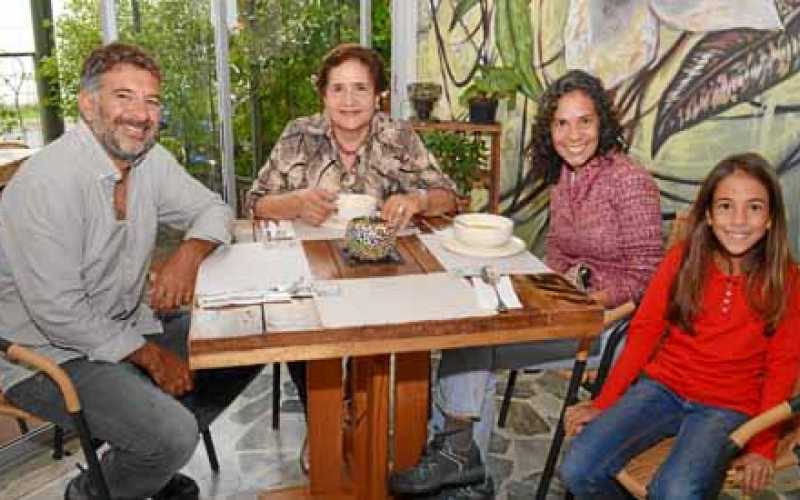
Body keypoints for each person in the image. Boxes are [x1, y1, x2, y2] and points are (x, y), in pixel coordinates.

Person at [0, 43, 260, 500]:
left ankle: (144, 462)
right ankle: (98, 488)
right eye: (123, 96)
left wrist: (188, 254)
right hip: (44, 356)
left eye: (152, 101)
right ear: (88, 103)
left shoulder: (149, 161)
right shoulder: (46, 183)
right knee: (172, 435)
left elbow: (214, 208)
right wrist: (152, 357)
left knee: (247, 338)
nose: (140, 115)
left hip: (123, 326)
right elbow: (59, 314)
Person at [388, 69, 663, 499]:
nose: (573, 135)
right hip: (573, 309)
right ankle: (462, 461)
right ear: (549, 129)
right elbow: (560, 257)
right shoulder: (566, 179)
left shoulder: (628, 181)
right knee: (473, 327)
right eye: (561, 123)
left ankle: (461, 463)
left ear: (602, 123)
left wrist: (588, 295)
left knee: (478, 341)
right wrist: (540, 290)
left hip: (614, 326)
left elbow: (649, 276)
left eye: (584, 121)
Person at [245, 42, 457, 446]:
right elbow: (254, 202)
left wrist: (418, 200)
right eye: (337, 89)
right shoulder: (298, 134)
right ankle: (325, 425)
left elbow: (448, 195)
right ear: (323, 94)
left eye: (360, 88)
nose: (348, 100)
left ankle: (384, 428)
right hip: (313, 270)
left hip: (385, 271)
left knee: (407, 328)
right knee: (304, 330)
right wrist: (294, 203)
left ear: (377, 95)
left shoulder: (399, 136)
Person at [560, 152, 800, 499]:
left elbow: (783, 367)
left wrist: (762, 446)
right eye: (726, 206)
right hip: (662, 388)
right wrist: (604, 401)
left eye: (754, 207)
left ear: (770, 219)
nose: (739, 220)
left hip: (728, 406)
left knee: (675, 491)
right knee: (577, 467)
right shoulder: (683, 259)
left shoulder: (787, 280)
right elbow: (643, 332)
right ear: (708, 214)